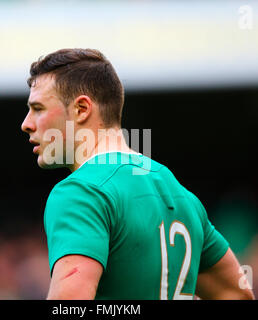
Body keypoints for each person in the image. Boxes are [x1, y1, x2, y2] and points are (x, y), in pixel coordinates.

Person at [21, 48, 254, 300]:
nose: (26, 123)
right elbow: (238, 294)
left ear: (81, 109)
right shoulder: (181, 195)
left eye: (38, 108)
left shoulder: (81, 192)